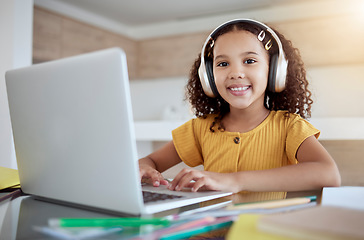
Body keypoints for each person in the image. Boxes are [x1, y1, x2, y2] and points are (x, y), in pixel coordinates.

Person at [138, 19, 341, 194]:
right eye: (223, 64)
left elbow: (329, 174)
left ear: (275, 71)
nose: (236, 73)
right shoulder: (199, 129)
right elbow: (148, 161)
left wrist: (234, 180)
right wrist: (146, 169)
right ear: (208, 77)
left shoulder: (289, 127)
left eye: (250, 60)